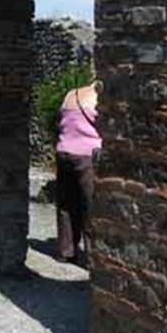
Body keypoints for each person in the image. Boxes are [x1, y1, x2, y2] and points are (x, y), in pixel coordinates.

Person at [55, 79, 102, 264]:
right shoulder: (96, 99)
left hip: (63, 151)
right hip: (86, 155)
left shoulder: (70, 95)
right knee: (90, 205)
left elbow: (62, 122)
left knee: (66, 204)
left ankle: (65, 251)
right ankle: (93, 257)